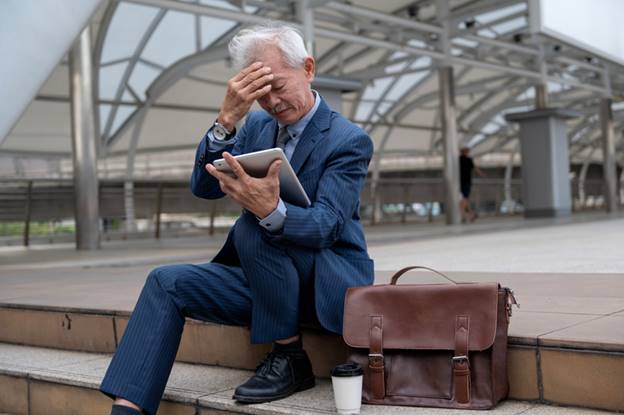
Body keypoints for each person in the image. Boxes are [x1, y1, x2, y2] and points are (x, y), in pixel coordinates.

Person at [99, 22, 374, 415]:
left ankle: (290, 355)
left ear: (308, 68)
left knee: (253, 223)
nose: (273, 102)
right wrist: (226, 120)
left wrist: (269, 210)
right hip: (266, 279)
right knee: (165, 282)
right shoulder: (258, 125)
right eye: (260, 94)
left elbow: (327, 226)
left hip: (324, 284)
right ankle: (127, 410)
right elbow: (205, 187)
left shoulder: (348, 140)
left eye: (278, 86)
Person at [459, 146, 485, 222]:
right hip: (466, 182)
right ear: (466, 152)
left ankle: (470, 215)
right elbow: (475, 168)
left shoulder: (459, 159)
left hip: (459, 182)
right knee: (465, 199)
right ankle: (465, 215)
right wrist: (482, 175)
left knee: (464, 199)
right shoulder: (468, 160)